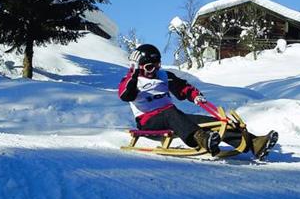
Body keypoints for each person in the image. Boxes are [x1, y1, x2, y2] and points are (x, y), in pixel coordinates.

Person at [118, 44, 278, 159]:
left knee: (213, 123)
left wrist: (195, 95)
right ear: (139, 67)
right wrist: (133, 73)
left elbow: (182, 88)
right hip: (148, 122)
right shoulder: (132, 80)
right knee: (170, 113)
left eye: (157, 66)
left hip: (173, 117)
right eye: (149, 67)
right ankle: (201, 139)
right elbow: (126, 95)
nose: (154, 71)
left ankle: (255, 143)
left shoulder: (163, 75)